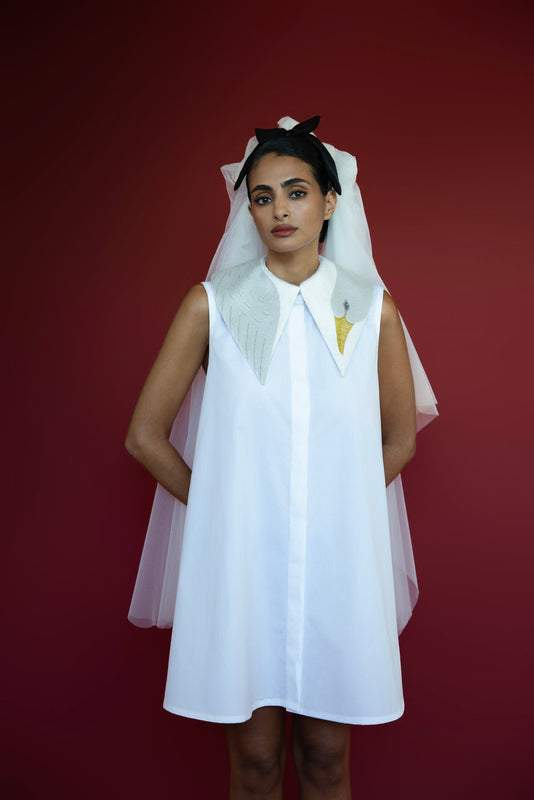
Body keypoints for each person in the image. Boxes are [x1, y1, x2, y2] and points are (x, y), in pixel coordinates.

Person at [125, 116, 438, 799]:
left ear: (330, 202)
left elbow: (399, 438)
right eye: (262, 197)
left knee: (326, 757)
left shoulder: (371, 310)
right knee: (258, 760)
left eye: (296, 192)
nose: (279, 211)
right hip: (240, 565)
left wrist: (337, 507)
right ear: (248, 210)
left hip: (338, 562)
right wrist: (225, 508)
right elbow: (145, 435)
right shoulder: (212, 305)